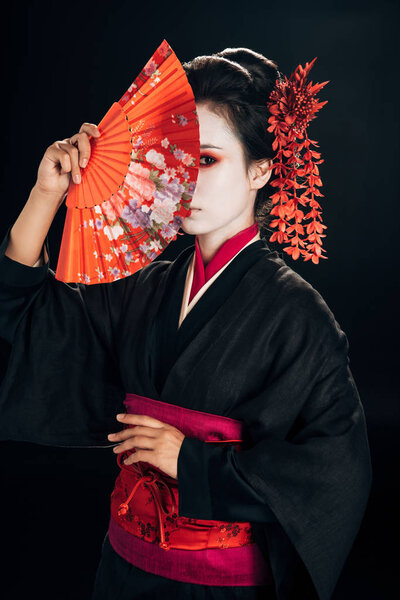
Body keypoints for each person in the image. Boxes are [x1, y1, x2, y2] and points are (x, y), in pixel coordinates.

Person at [0, 47, 372, 600]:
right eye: (178, 156)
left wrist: (193, 463)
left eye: (207, 161)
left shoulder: (298, 316)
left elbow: (333, 472)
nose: (183, 181)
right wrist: (46, 194)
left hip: (217, 588)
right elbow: (29, 321)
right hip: (122, 570)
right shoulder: (143, 287)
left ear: (261, 170)